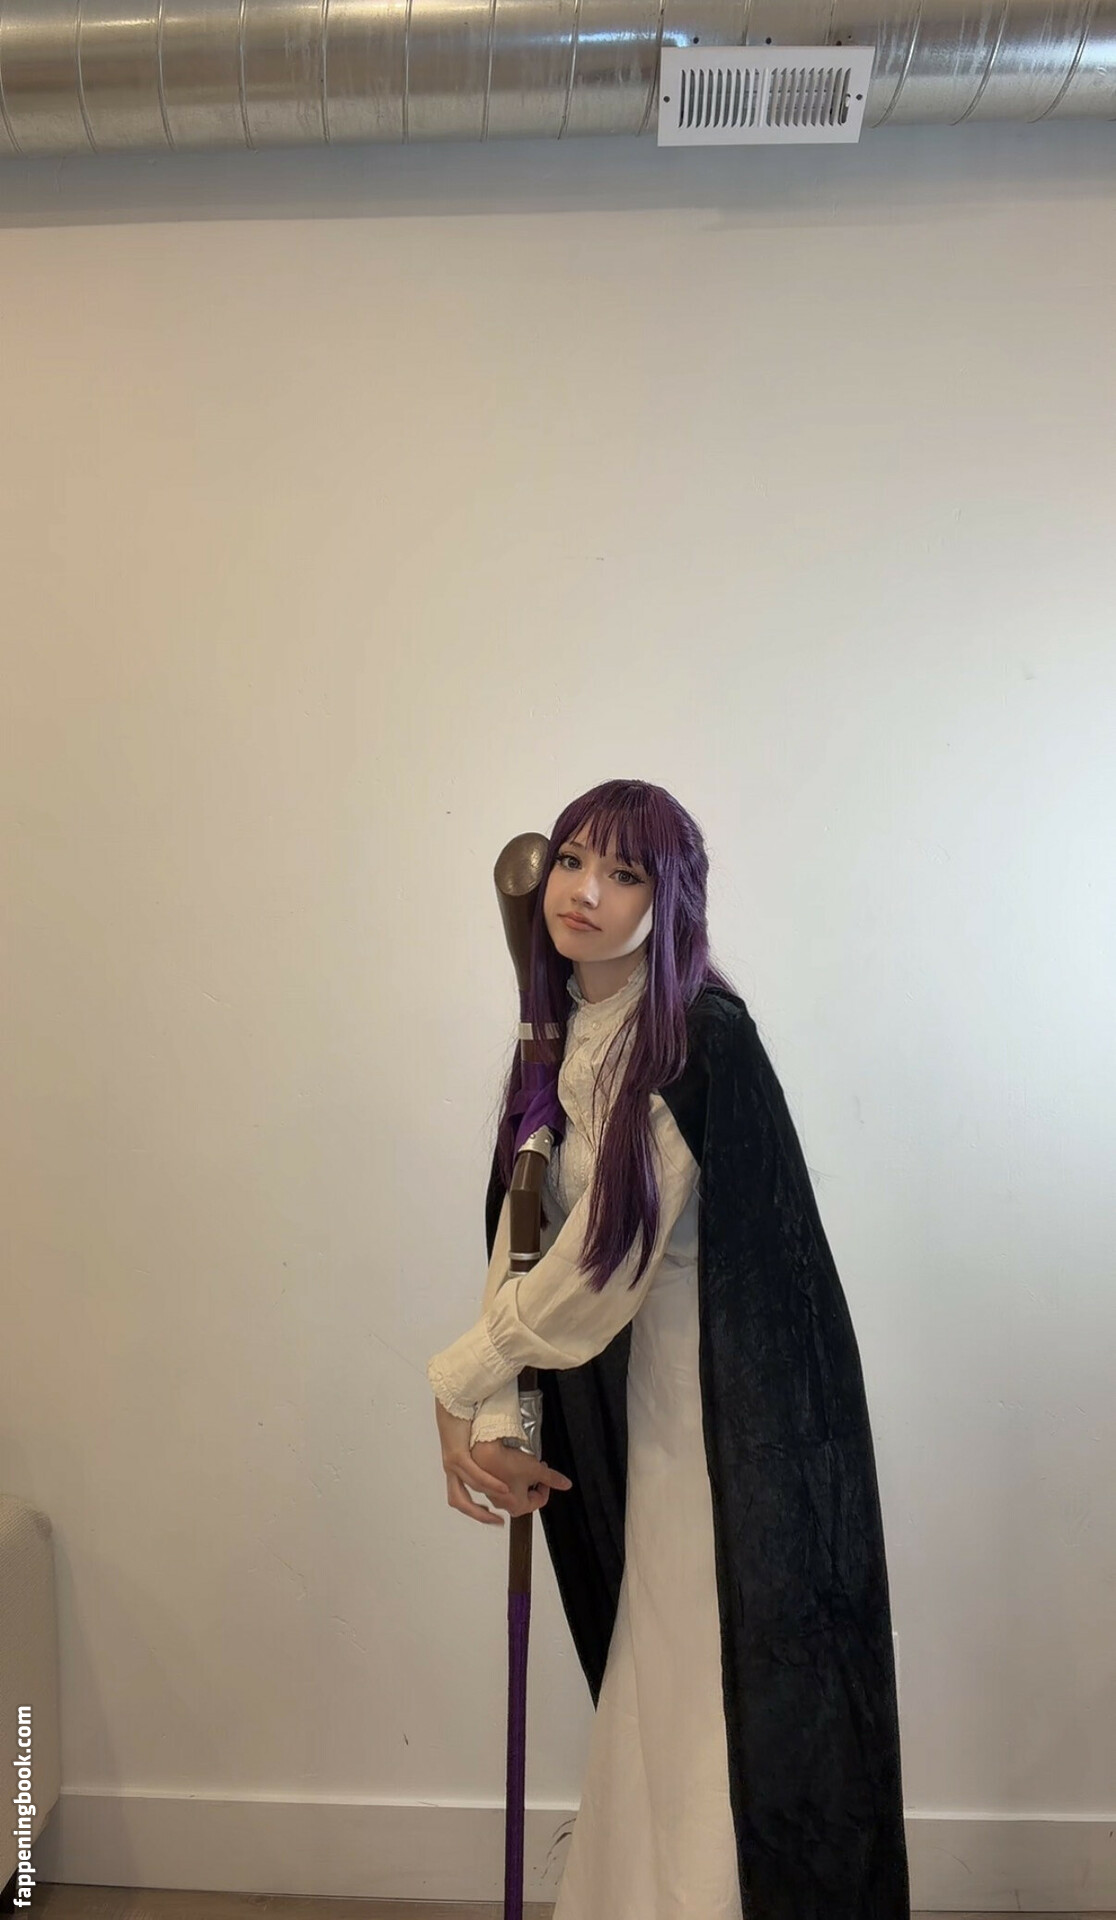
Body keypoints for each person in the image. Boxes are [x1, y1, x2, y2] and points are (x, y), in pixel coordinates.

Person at [427, 778, 910, 1920]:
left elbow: (600, 1263)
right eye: (573, 861)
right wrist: (488, 1411)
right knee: (654, 1683)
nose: (585, 891)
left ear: (670, 899)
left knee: (707, 1700)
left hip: (731, 1435)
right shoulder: (565, 1037)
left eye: (626, 873)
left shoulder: (691, 1040)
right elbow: (525, 1228)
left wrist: (456, 1379)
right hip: (654, 1414)